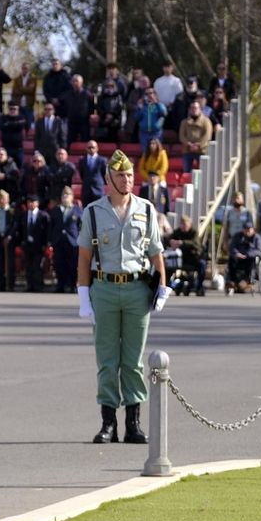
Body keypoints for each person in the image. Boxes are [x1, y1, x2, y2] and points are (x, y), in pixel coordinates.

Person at [77, 150, 168, 444]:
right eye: (120, 175)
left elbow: (156, 253)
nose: (127, 180)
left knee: (133, 360)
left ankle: (133, 422)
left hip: (136, 290)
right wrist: (83, 296)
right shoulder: (93, 212)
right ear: (108, 179)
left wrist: (163, 286)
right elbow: (84, 257)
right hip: (104, 288)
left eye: (129, 175)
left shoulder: (146, 210)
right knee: (107, 359)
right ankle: (108, 423)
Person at [165, 215, 205, 297]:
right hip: (180, 258)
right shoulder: (177, 232)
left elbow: (195, 243)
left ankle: (199, 287)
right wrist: (171, 242)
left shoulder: (194, 232)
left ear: (189, 224)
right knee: (167, 265)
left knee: (202, 264)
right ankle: (167, 286)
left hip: (192, 257)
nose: (183, 226)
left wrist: (182, 243)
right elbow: (168, 240)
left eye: (185, 225)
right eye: (182, 224)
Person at [15, 194, 48, 293]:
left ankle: (38, 285)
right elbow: (20, 229)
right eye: (29, 202)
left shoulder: (43, 215)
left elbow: (46, 231)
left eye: (32, 202)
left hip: (39, 245)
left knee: (38, 266)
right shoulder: (24, 215)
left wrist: (45, 243)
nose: (30, 204)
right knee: (28, 265)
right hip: (27, 244)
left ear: (37, 203)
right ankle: (29, 285)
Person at [178, 100, 214, 174]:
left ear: (200, 109)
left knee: (204, 172)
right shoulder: (184, 122)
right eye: (192, 108)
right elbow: (181, 136)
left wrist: (199, 145)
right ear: (189, 110)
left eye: (196, 108)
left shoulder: (206, 121)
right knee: (186, 172)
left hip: (202, 151)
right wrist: (189, 144)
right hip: (187, 150)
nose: (194, 110)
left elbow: (207, 136)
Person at [226, 222, 261, 294]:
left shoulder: (257, 238)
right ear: (243, 230)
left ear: (253, 229)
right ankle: (233, 281)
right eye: (246, 229)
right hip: (239, 257)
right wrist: (237, 253)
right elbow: (232, 247)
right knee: (231, 259)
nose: (247, 231)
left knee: (252, 260)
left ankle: (248, 280)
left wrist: (248, 254)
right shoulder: (237, 236)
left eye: (249, 229)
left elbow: (259, 251)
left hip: (249, 257)